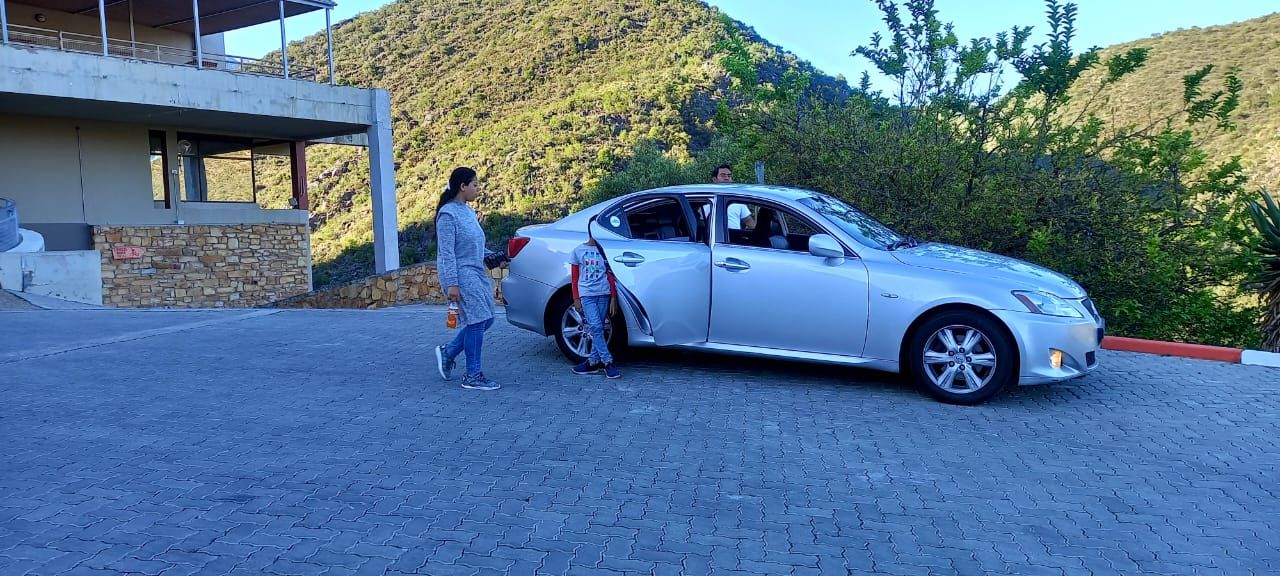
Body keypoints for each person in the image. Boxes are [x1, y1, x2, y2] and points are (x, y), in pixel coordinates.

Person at [433, 167, 500, 391]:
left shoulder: (468, 212)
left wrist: (494, 257)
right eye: (474, 185)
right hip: (460, 274)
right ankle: (472, 374)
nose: (477, 189)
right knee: (477, 321)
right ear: (462, 186)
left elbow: (475, 244)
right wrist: (452, 283)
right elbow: (447, 253)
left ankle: (448, 352)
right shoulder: (447, 215)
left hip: (476, 271)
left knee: (487, 319)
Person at [569, 228, 622, 379]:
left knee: (599, 328)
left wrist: (613, 296)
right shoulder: (578, 251)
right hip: (587, 294)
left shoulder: (605, 250)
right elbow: (574, 277)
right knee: (596, 327)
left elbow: (610, 274)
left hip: (603, 292)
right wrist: (576, 298)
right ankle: (608, 361)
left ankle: (592, 362)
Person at [704, 164, 756, 230]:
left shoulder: (737, 199)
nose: (727, 178)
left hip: (734, 239)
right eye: (723, 175)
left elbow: (749, 222)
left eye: (729, 176)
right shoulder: (705, 199)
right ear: (714, 180)